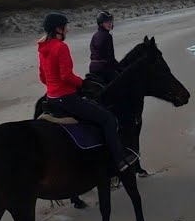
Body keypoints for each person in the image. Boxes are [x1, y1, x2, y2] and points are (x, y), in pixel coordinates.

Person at [38, 12, 139, 173]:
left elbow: (43, 77)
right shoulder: (60, 47)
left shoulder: (43, 48)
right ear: (58, 29)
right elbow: (66, 76)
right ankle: (119, 160)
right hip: (66, 98)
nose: (67, 30)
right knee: (107, 118)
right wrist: (81, 83)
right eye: (66, 27)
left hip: (51, 99)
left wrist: (54, 87)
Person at [88, 10, 119, 84]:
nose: (110, 24)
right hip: (103, 68)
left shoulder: (95, 35)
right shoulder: (108, 36)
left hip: (92, 67)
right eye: (107, 22)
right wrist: (120, 66)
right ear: (101, 24)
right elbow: (110, 57)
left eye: (111, 22)